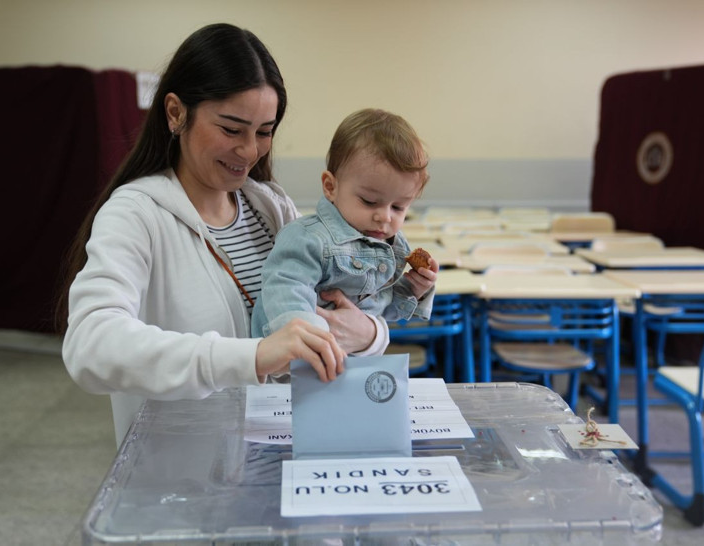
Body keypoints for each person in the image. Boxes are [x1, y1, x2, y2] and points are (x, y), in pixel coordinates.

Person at [59, 24, 389, 446]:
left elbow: (325, 316)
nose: (250, 151)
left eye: (265, 131)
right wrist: (250, 356)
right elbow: (91, 347)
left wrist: (370, 334)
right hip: (183, 481)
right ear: (176, 113)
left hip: (277, 463)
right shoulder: (135, 214)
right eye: (232, 130)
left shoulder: (272, 207)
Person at [251, 108, 438, 339]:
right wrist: (310, 341)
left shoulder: (392, 246)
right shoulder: (307, 238)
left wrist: (414, 290)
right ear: (331, 187)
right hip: (296, 362)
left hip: (348, 363)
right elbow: (286, 292)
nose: (385, 217)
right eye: (369, 201)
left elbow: (381, 308)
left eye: (398, 207)